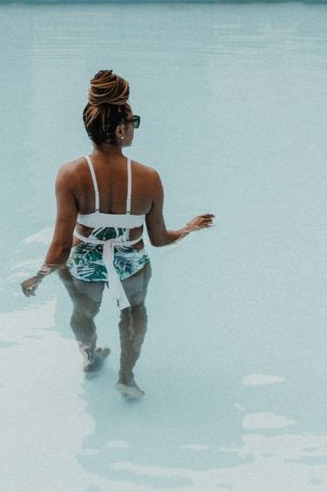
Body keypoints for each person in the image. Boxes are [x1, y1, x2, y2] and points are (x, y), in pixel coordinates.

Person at [21, 69, 214, 400]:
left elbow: (60, 246)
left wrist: (38, 277)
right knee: (134, 309)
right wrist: (188, 229)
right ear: (120, 129)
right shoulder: (148, 178)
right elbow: (158, 239)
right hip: (130, 262)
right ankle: (126, 376)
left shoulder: (70, 175)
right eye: (133, 121)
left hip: (83, 263)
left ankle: (90, 357)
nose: (134, 128)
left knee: (82, 311)